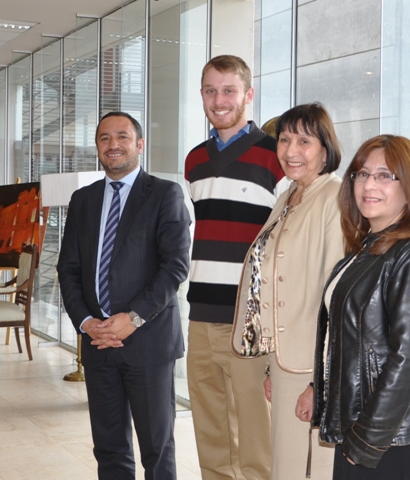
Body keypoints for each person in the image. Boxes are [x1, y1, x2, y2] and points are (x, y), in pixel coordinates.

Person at [296, 134, 410, 480]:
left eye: (385, 175)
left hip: (394, 436)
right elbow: (351, 340)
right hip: (364, 427)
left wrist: (367, 439)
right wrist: (319, 390)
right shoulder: (370, 248)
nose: (369, 184)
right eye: (362, 174)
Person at [57, 111, 191, 480]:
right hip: (98, 344)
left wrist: (131, 319)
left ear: (140, 144)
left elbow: (175, 267)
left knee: (156, 448)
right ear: (97, 147)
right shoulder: (83, 200)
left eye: (122, 136)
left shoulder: (165, 194)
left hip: (147, 341)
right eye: (104, 138)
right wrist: (87, 323)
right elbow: (68, 269)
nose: (113, 144)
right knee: (109, 448)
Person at [184, 54, 287, 480]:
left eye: (229, 90)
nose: (219, 99)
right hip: (199, 319)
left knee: (255, 438)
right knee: (210, 431)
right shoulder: (194, 160)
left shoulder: (275, 157)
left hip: (248, 321)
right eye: (210, 90)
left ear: (248, 94)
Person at [231, 102, 344, 479]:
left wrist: (321, 383)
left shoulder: (334, 198)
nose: (290, 150)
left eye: (304, 141)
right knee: (287, 468)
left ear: (325, 149)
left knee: (312, 470)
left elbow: (338, 298)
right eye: (284, 139)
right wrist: (270, 363)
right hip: (285, 361)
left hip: (314, 364)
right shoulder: (288, 196)